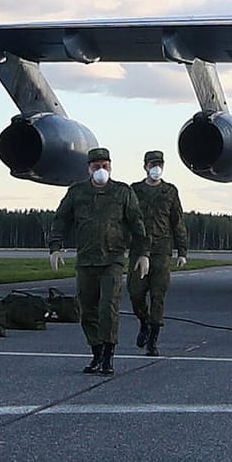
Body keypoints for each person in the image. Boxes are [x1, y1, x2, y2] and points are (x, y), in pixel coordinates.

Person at [47, 147, 149, 375]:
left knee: (108, 307)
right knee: (87, 309)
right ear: (88, 169)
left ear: (110, 167)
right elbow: (61, 219)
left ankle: (108, 356)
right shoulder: (77, 192)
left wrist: (143, 253)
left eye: (104, 166)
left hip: (112, 259)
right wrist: (55, 247)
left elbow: (137, 223)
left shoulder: (123, 192)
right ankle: (96, 351)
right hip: (86, 260)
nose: (101, 170)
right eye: (96, 166)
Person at [128, 149, 190, 357]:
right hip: (138, 251)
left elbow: (177, 221)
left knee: (158, 295)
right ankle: (143, 321)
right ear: (145, 166)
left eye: (160, 165)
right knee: (136, 293)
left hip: (162, 251)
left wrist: (182, 250)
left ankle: (153, 339)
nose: (156, 168)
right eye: (153, 165)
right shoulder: (134, 190)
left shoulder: (170, 191)